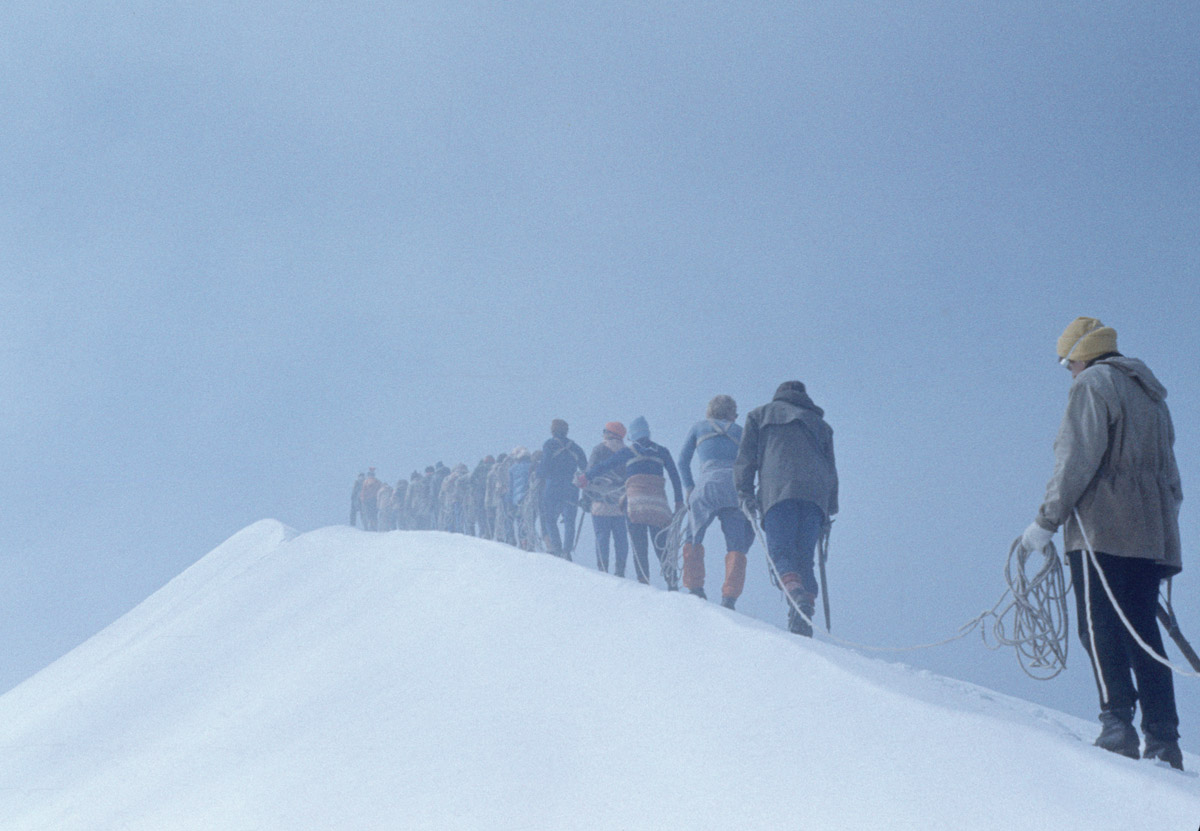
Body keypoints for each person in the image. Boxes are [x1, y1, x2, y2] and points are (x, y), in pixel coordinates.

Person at [1018, 317, 1184, 769]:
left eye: (1067, 362)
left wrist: (1045, 521)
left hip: (1101, 529)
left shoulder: (1093, 384)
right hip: (1151, 536)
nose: (1068, 371)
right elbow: (1172, 479)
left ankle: (1117, 724)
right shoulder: (1152, 397)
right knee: (1144, 634)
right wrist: (1161, 531)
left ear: (1081, 355)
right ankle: (1165, 739)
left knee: (1099, 628)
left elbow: (1076, 459)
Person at [735, 381, 838, 637]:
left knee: (781, 552)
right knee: (805, 559)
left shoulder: (759, 416)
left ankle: (796, 597)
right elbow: (831, 471)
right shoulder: (821, 426)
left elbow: (746, 459)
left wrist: (744, 492)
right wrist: (829, 509)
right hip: (815, 498)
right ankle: (804, 611)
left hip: (778, 492)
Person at [580, 417, 683, 588]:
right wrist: (678, 501)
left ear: (633, 435)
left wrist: (586, 477)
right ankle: (671, 581)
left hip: (635, 505)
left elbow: (605, 466)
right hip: (659, 505)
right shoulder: (662, 451)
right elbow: (674, 476)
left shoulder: (628, 451)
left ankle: (644, 581)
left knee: (639, 545)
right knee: (662, 545)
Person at [678, 395, 754, 609]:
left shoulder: (699, 427)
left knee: (693, 536)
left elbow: (682, 461)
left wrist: (690, 488)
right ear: (732, 413)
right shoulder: (741, 432)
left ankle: (695, 587)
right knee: (736, 544)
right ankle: (730, 596)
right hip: (734, 488)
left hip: (707, 486)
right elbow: (751, 464)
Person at [581, 422, 631, 576]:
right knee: (621, 539)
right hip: (621, 504)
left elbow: (588, 475)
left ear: (609, 433)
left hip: (599, 502)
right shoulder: (628, 452)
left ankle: (603, 570)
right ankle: (620, 571)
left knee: (602, 537)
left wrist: (585, 500)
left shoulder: (599, 449)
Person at [538, 419, 588, 559]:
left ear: (553, 430)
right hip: (571, 488)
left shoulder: (549, 444)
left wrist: (538, 474)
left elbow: (545, 465)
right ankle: (567, 551)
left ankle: (557, 547)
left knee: (549, 518)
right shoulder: (576, 447)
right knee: (569, 520)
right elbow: (585, 467)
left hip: (552, 486)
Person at [359, 467, 383, 532]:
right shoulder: (378, 482)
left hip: (368, 501)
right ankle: (375, 527)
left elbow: (363, 491)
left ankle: (370, 527)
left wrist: (362, 499)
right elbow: (380, 491)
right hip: (375, 500)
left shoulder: (366, 482)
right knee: (374, 515)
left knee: (369, 514)